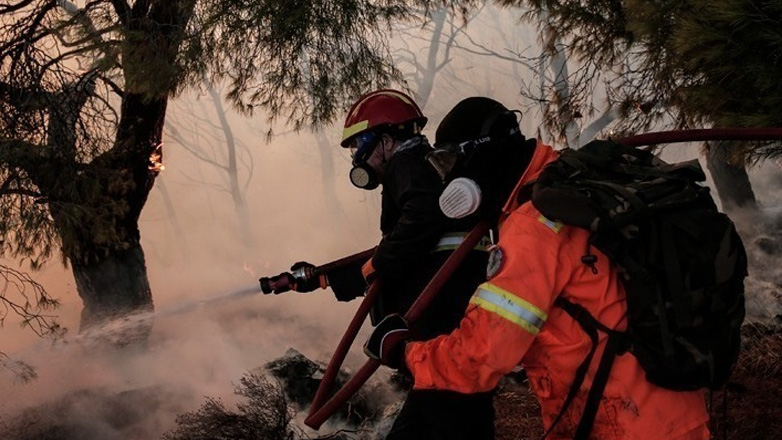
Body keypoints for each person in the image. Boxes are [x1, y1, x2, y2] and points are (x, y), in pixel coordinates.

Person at [364, 96, 712, 440]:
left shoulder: (535, 226)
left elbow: (481, 355)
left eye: (449, 160)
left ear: (480, 154)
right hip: (669, 415)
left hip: (623, 425)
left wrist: (407, 354)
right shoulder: (572, 190)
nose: (448, 179)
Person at [290, 89, 496, 440]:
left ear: (385, 140)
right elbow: (407, 247)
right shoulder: (432, 168)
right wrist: (330, 278)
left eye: (359, 147)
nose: (358, 158)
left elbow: (417, 224)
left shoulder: (407, 161)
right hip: (453, 322)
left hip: (438, 323)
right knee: (461, 416)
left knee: (440, 415)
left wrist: (378, 266)